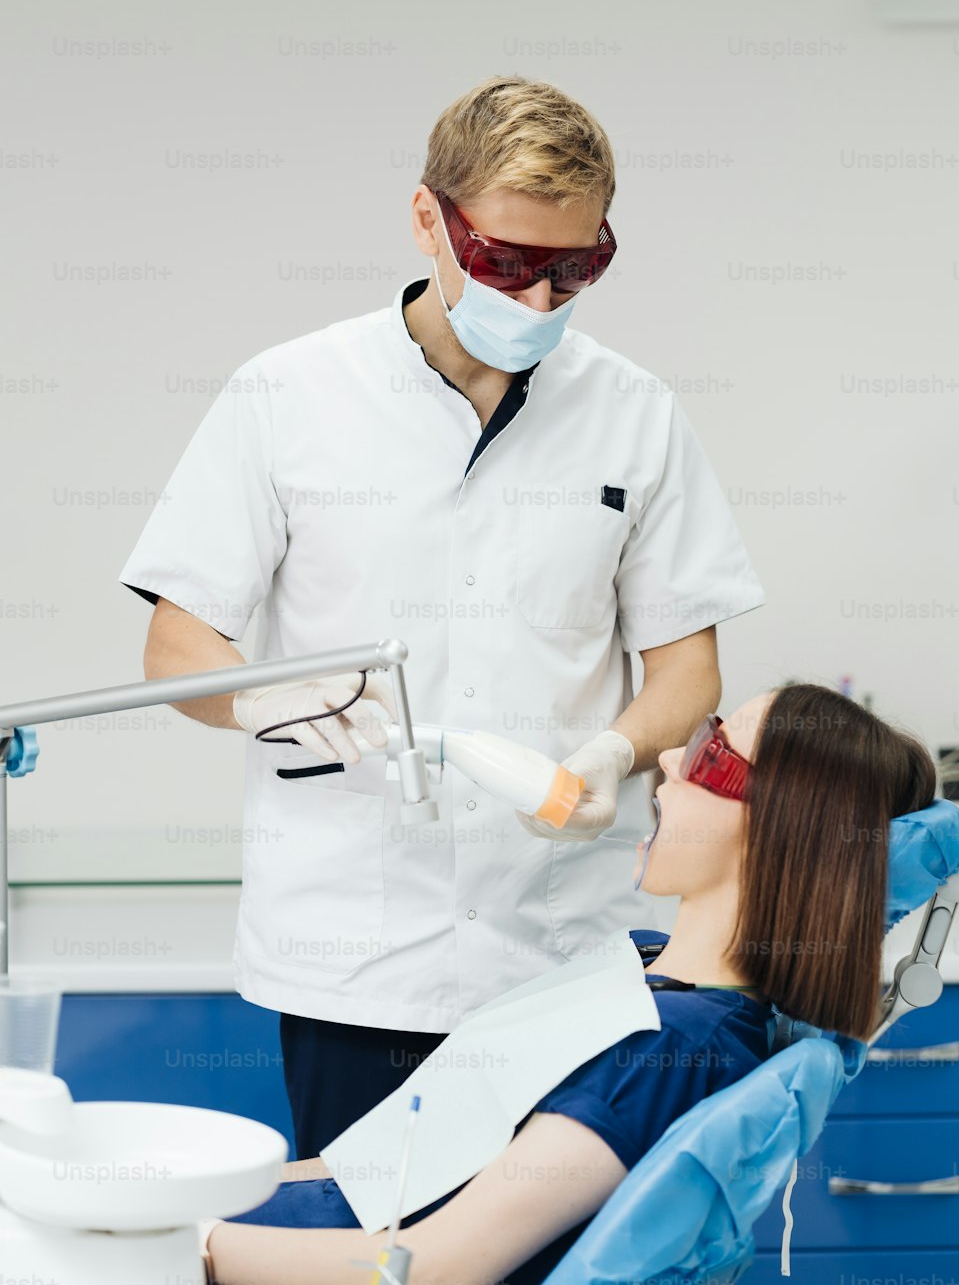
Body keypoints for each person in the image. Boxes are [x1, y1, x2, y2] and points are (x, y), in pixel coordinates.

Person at [118, 74, 765, 1157]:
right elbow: (175, 647)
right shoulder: (286, 394)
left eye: (576, 268)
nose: (540, 301)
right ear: (429, 218)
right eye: (508, 263)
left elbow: (686, 671)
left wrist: (616, 750)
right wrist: (276, 695)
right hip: (353, 957)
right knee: (376, 1250)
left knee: (543, 1254)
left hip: (561, 949)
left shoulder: (636, 413)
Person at [202, 682, 937, 1285]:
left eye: (715, 753)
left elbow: (439, 1265)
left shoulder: (667, 1052)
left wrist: (191, 1247)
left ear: (784, 831)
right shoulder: (650, 969)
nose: (675, 757)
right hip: (310, 1210)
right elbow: (386, 1168)